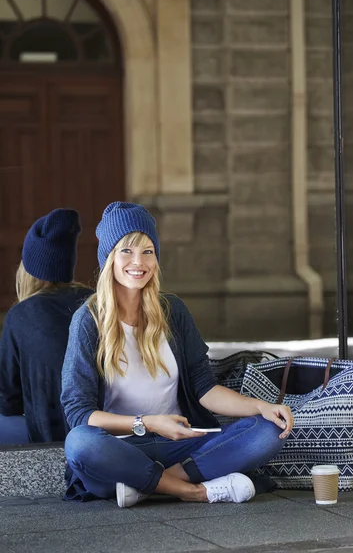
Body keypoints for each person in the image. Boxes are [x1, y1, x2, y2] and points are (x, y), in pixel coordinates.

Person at [61, 202, 294, 507]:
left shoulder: (173, 312)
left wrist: (260, 406)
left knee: (266, 430)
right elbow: (79, 414)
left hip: (180, 445)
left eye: (148, 251)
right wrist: (149, 423)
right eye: (126, 251)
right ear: (109, 258)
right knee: (80, 443)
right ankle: (193, 491)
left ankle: (150, 485)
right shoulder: (88, 320)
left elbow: (204, 389)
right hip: (120, 450)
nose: (138, 262)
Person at [0, 209, 92, 444]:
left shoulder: (21, 315)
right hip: (101, 433)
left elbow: (7, 400)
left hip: (48, 439)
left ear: (28, 270)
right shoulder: (97, 303)